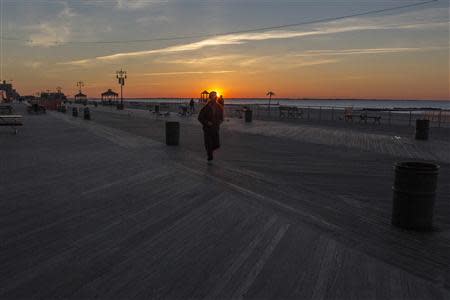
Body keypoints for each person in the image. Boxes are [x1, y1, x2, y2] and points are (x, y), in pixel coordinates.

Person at [198, 91, 224, 163]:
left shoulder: (219, 107)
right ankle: (210, 155)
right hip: (207, 129)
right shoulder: (206, 107)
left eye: (215, 96)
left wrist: (220, 121)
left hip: (215, 128)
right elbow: (200, 118)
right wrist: (207, 122)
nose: (214, 97)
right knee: (208, 143)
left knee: (217, 144)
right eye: (213, 96)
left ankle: (210, 150)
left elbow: (221, 117)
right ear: (210, 97)